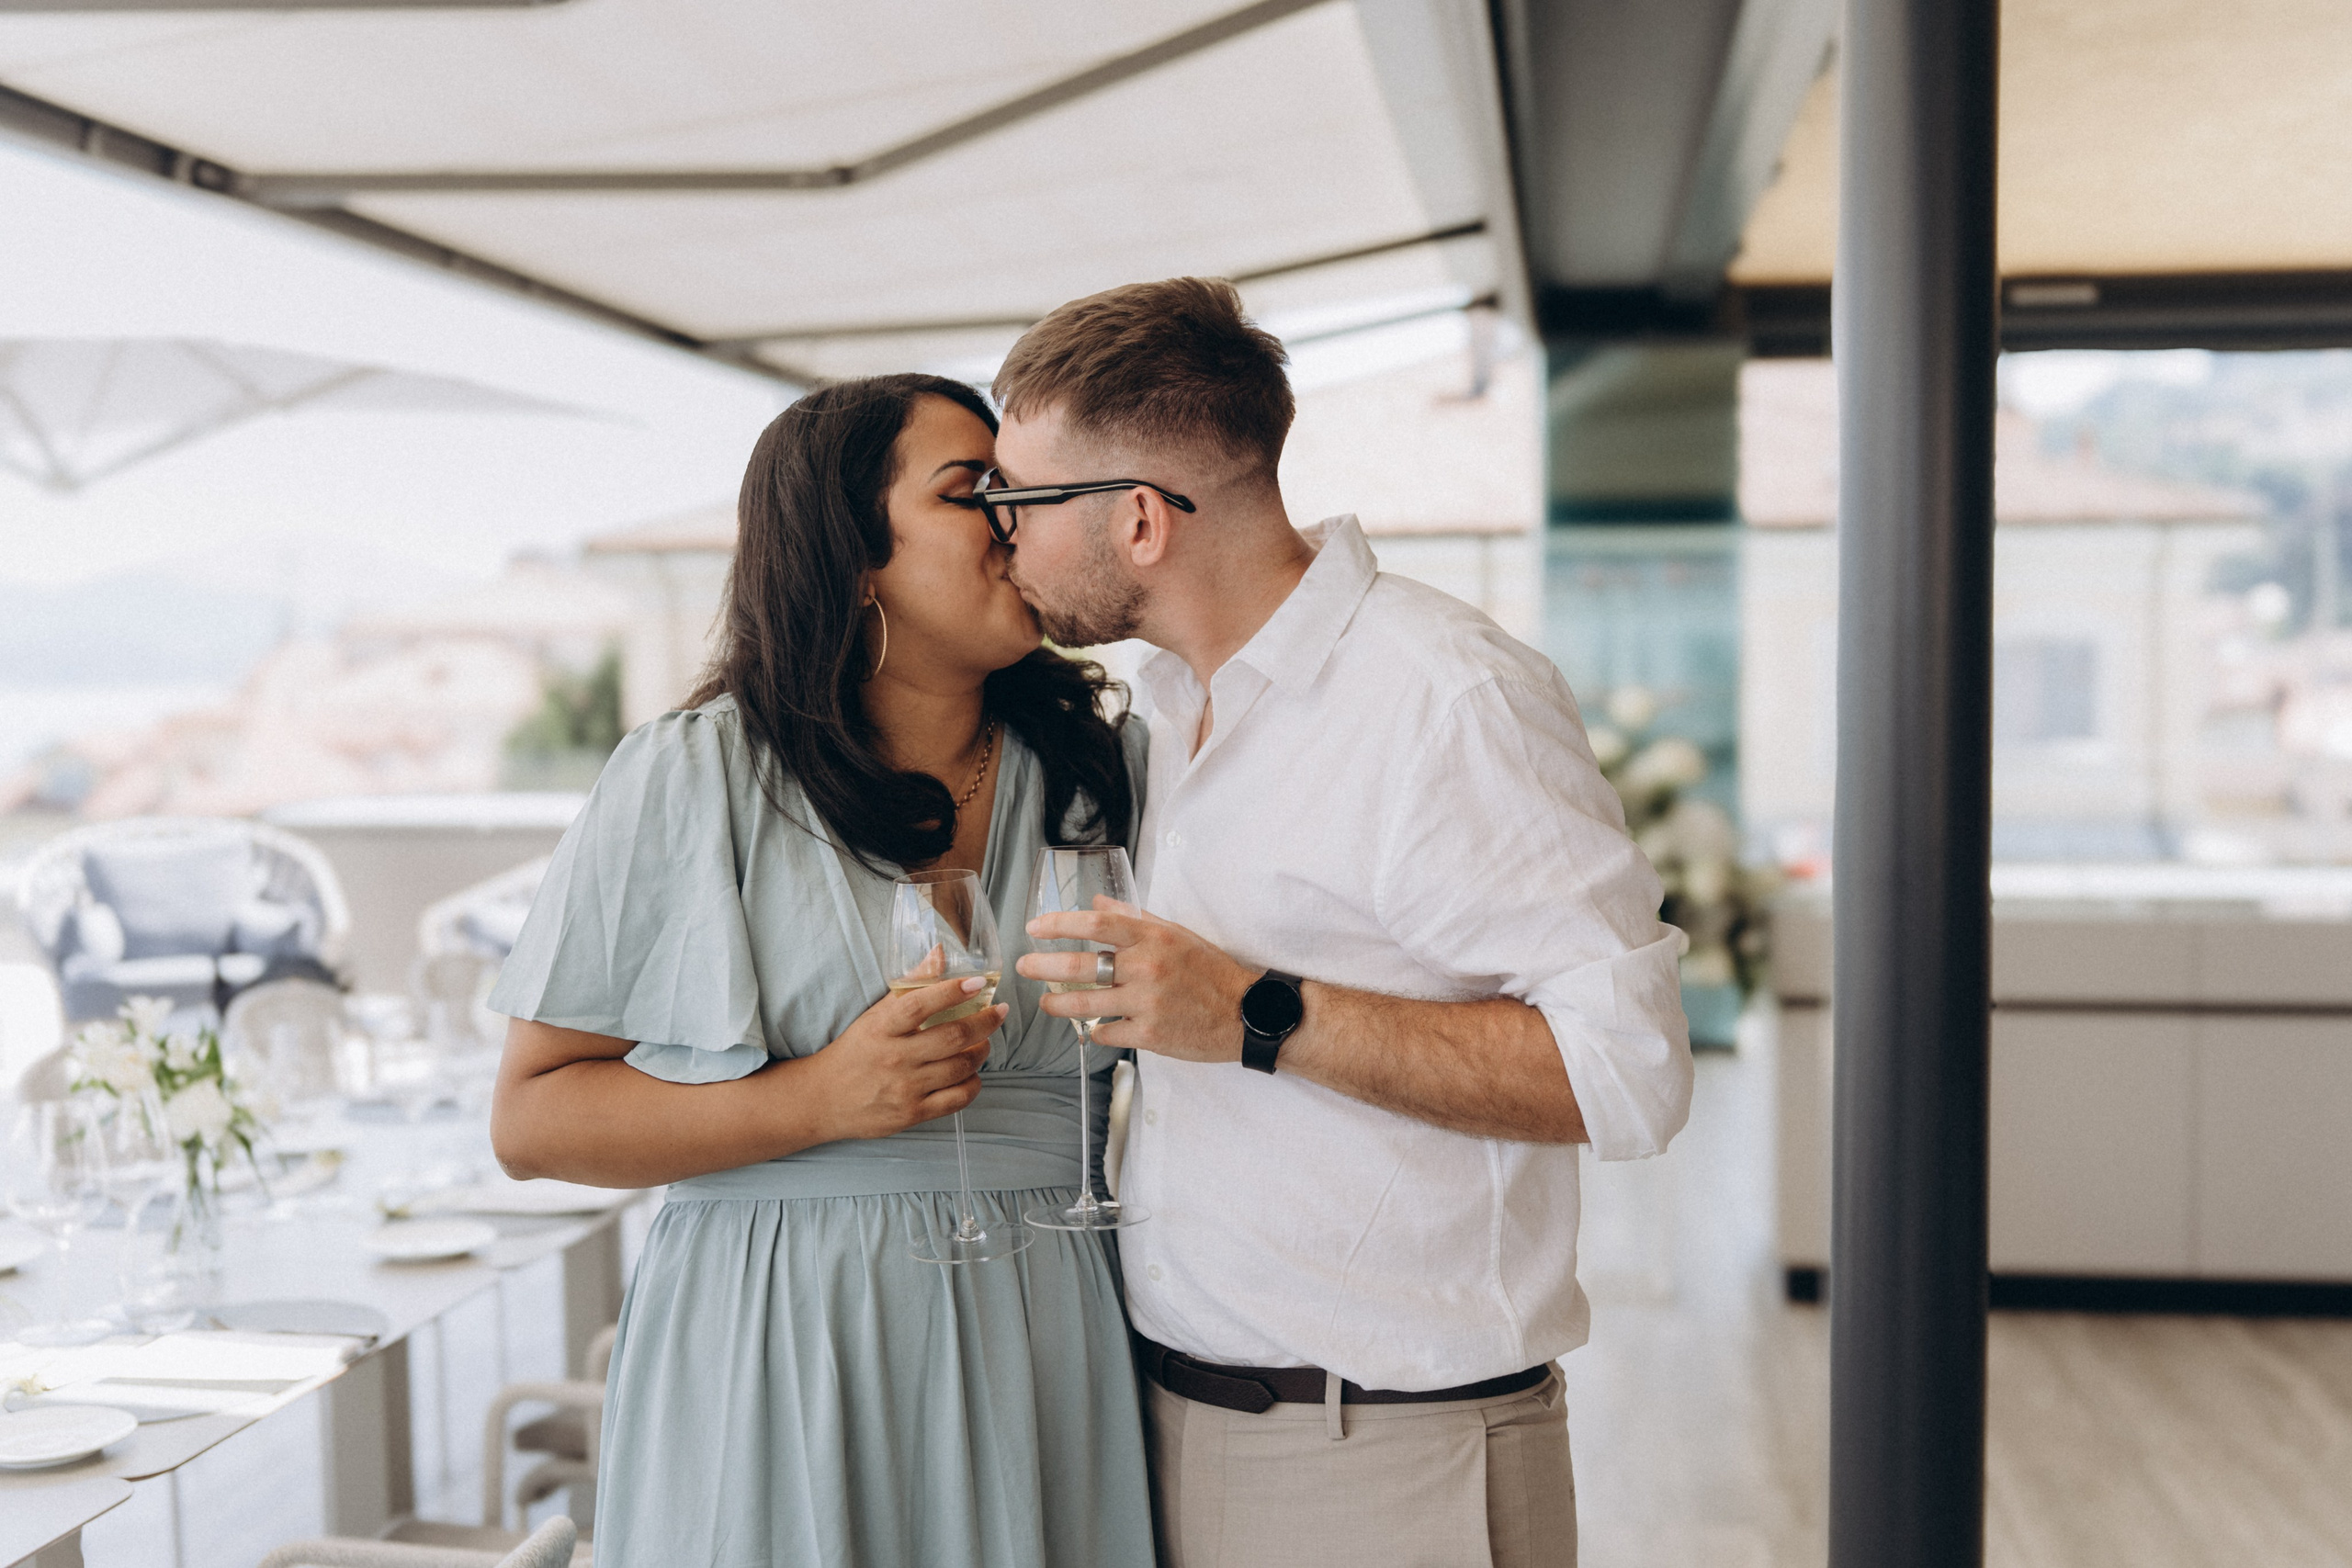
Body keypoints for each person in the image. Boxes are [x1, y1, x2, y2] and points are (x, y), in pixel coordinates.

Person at [996, 279, 1694, 1568]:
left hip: (1391, 1465)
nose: (1004, 541)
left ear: (1140, 520)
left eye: (1019, 504)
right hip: (1175, 1426)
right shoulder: (1159, 711)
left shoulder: (1445, 698)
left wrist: (1260, 1012)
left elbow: (1629, 1073)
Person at [485, 374, 1156, 1568]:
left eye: (1022, 489)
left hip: (1051, 1333)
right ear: (852, 558)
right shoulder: (691, 778)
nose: (1020, 517)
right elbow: (533, 1120)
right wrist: (814, 1102)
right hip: (776, 1342)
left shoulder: (1110, 770)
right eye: (972, 493)